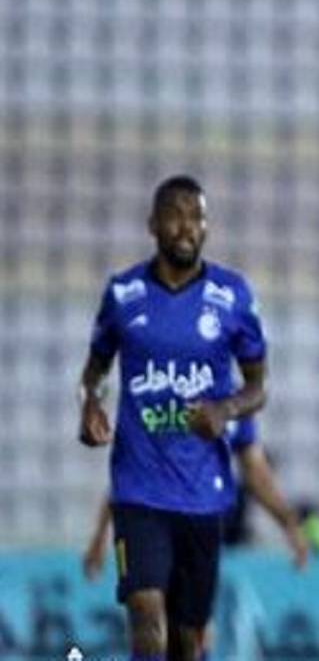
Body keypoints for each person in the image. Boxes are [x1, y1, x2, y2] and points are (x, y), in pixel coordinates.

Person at [77, 175, 269, 661]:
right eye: (175, 216)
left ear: (207, 226)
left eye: (196, 217)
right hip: (138, 490)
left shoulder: (232, 296)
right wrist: (90, 404)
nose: (186, 227)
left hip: (202, 495)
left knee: (188, 640)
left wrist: (225, 409)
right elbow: (94, 372)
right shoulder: (123, 294)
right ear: (153, 224)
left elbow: (258, 388)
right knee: (147, 616)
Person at [82, 417, 308, 654]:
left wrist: (289, 525)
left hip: (199, 533)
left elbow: (254, 470)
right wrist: (100, 537)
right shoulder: (161, 409)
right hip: (150, 525)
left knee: (193, 633)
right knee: (148, 615)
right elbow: (127, 480)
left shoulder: (233, 411)